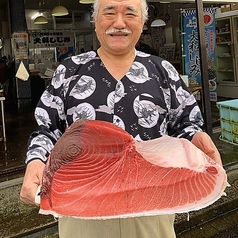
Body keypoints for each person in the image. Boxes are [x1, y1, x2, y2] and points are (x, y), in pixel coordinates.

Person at [20, 0, 222, 237]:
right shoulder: (69, 71)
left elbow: (185, 124)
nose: (118, 23)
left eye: (129, 13)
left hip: (151, 206)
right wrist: (36, 160)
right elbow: (47, 129)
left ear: (142, 22)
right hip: (83, 205)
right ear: (95, 22)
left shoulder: (162, 71)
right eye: (109, 13)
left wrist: (195, 137)